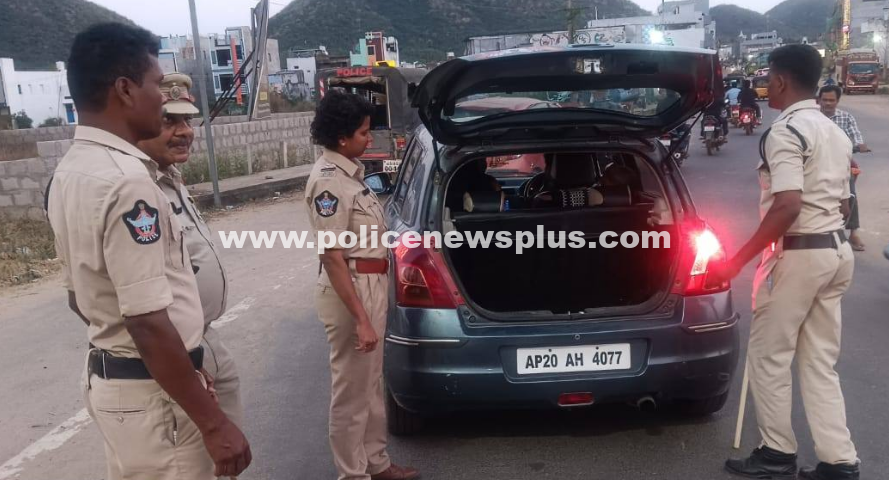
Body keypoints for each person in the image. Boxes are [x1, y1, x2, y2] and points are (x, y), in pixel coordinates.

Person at [45, 23, 251, 479]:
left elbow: (81, 297)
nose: (161, 98)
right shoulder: (127, 181)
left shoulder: (71, 171)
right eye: (157, 85)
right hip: (156, 398)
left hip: (127, 384)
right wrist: (213, 423)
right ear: (124, 89)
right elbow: (147, 320)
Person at [719, 44, 860, 480]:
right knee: (819, 361)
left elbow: (787, 206)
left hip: (799, 256)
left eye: (769, 78)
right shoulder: (834, 132)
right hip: (835, 252)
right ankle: (839, 462)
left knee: (769, 355)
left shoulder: (786, 131)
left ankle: (777, 453)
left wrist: (737, 261)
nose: (767, 84)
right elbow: (845, 204)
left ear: (780, 81)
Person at [305, 90, 420, 480]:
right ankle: (352, 474)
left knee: (370, 384)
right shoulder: (328, 183)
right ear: (341, 138)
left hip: (369, 282)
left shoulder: (350, 175)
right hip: (351, 289)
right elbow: (331, 256)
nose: (369, 139)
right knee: (351, 392)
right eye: (363, 133)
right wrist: (361, 318)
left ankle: (376, 463)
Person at [135, 72, 243, 429]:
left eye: (188, 121)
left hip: (206, 339)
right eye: (170, 121)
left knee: (231, 446)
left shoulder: (171, 179)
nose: (185, 132)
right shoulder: (137, 190)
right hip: (175, 354)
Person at [818, 85, 869, 251]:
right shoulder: (812, 117)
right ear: (819, 100)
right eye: (824, 100)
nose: (828, 103)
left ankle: (853, 233)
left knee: (851, 194)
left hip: (842, 163)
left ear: (837, 101)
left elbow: (856, 135)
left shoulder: (846, 117)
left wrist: (860, 145)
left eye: (831, 100)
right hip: (817, 164)